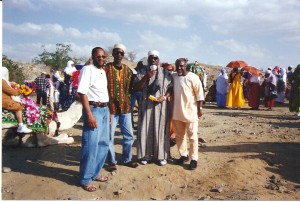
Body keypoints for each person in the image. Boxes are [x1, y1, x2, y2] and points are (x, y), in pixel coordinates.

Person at [77, 47, 110, 192]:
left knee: (103, 144)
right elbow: (82, 93)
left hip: (104, 109)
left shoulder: (102, 71)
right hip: (93, 110)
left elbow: (102, 92)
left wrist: (107, 111)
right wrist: (89, 114)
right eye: (98, 57)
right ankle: (85, 179)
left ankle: (95, 173)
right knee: (91, 144)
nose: (101, 59)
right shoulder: (87, 69)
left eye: (103, 56)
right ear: (93, 56)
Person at [133, 50, 173, 166]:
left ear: (158, 59)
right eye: (151, 58)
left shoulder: (165, 73)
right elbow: (136, 88)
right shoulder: (141, 71)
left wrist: (164, 97)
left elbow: (171, 88)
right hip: (146, 106)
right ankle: (145, 155)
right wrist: (146, 77)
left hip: (161, 106)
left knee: (161, 131)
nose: (153, 60)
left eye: (155, 58)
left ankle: (161, 156)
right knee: (145, 130)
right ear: (148, 59)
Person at [105, 43, 138, 170]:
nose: (119, 55)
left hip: (125, 109)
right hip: (110, 109)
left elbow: (132, 88)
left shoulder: (127, 70)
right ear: (113, 54)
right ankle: (112, 161)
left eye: (121, 53)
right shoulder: (106, 69)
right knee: (109, 137)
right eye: (117, 52)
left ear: (123, 55)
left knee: (129, 135)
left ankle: (127, 159)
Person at [172, 58, 204, 170]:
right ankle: (183, 155)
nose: (179, 68)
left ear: (186, 66)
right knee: (179, 136)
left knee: (193, 136)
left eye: (181, 66)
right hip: (176, 112)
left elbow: (200, 94)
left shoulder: (193, 78)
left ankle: (194, 159)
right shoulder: (174, 77)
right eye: (177, 66)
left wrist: (200, 108)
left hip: (191, 112)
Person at [2, 67, 32, 133]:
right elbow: (12, 92)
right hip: (4, 100)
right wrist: (20, 90)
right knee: (18, 106)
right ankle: (20, 126)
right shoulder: (2, 81)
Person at [130, 60, 143, 128]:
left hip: (140, 91)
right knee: (131, 109)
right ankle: (131, 125)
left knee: (141, 108)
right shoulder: (132, 71)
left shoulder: (142, 71)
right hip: (133, 91)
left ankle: (139, 125)